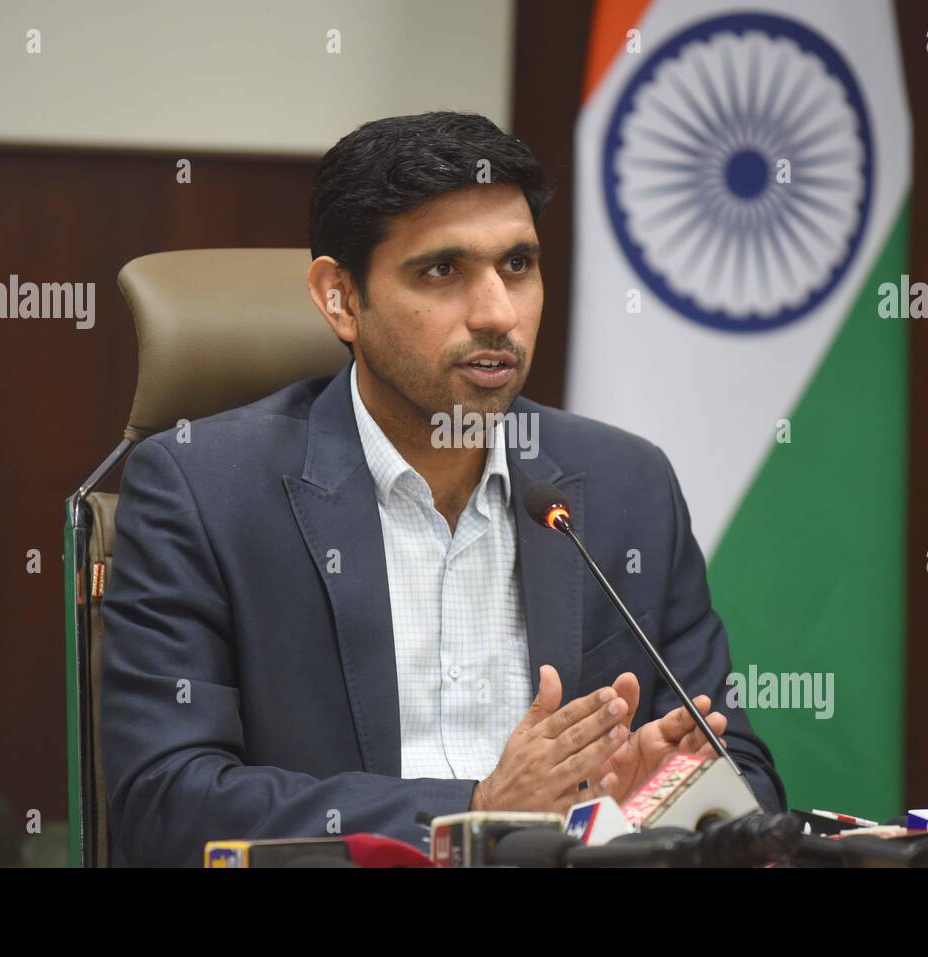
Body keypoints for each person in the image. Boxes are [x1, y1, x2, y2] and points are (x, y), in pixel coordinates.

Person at [101, 111, 785, 867]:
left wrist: (654, 799)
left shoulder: (628, 486)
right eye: (441, 270)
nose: (496, 312)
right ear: (340, 298)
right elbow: (163, 802)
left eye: (518, 265)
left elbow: (747, 782)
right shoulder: (203, 490)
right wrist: (480, 813)